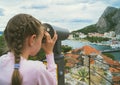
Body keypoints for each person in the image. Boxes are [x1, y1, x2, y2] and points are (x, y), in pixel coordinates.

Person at [0, 14, 58, 85]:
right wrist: (49, 53)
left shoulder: (1, 61)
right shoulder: (37, 70)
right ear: (32, 39)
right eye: (41, 38)